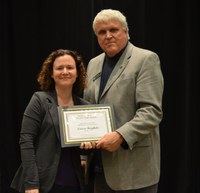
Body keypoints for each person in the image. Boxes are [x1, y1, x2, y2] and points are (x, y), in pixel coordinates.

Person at [83, 9, 164, 193]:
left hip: (134, 169)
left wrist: (120, 136)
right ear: (97, 37)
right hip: (100, 168)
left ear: (126, 32)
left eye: (114, 30)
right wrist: (84, 144)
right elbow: (88, 109)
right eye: (102, 32)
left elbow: (151, 111)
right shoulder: (93, 63)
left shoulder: (145, 59)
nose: (108, 36)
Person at [10, 49, 91, 193]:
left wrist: (87, 148)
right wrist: (31, 184)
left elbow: (83, 148)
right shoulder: (39, 100)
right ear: (52, 73)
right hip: (42, 183)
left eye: (70, 67)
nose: (65, 71)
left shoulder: (85, 107)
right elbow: (26, 141)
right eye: (59, 68)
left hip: (74, 183)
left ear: (77, 73)